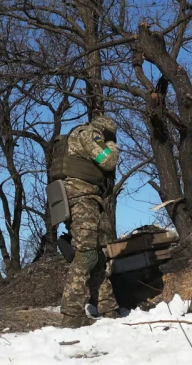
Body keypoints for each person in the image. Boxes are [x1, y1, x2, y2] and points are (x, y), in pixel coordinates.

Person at [60, 114, 120, 328]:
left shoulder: (78, 135)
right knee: (85, 254)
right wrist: (111, 145)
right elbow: (107, 160)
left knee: (96, 256)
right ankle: (71, 315)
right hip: (82, 197)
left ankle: (108, 308)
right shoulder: (91, 134)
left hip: (76, 196)